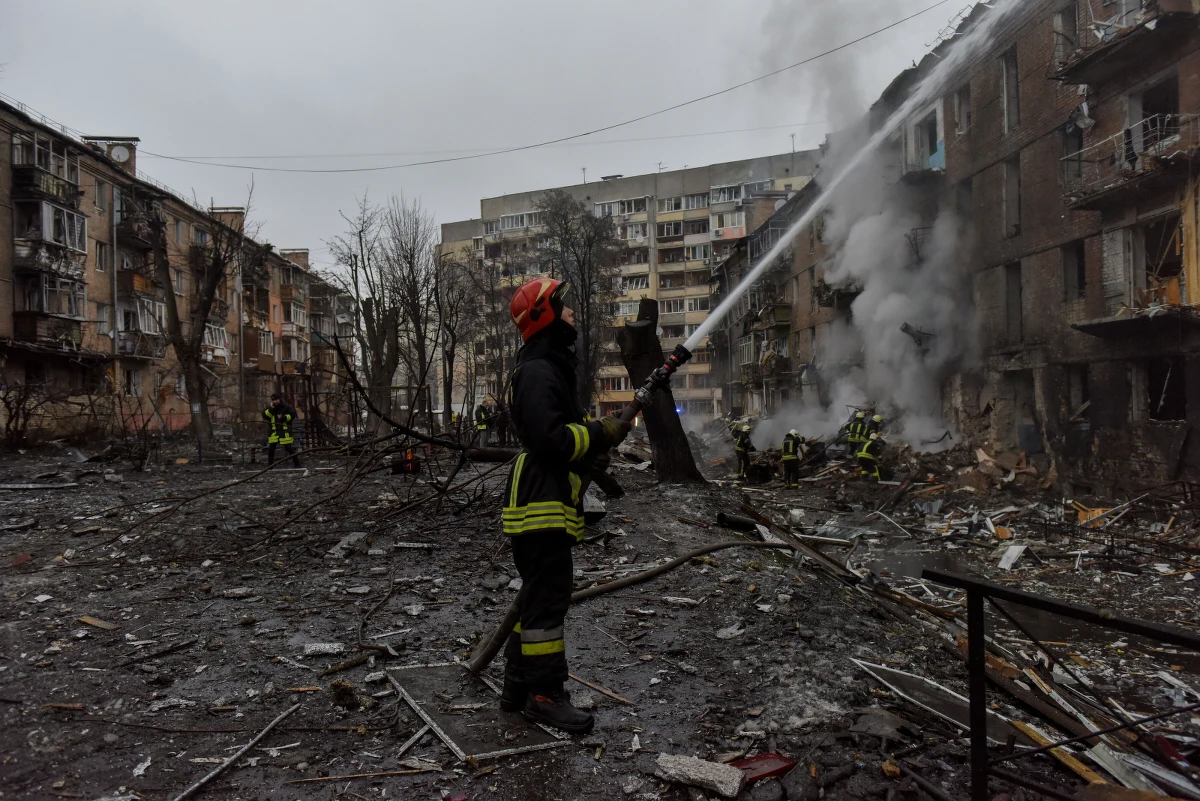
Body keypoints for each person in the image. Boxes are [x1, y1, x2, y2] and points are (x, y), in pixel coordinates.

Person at [501, 277, 631, 734]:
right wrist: (599, 433)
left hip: (544, 500)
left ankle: (518, 687)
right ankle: (545, 696)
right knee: (547, 605)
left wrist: (595, 441)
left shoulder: (546, 366)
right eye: (562, 305)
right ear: (544, 315)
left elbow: (562, 436)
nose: (571, 311)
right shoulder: (538, 370)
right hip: (539, 503)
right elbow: (549, 439)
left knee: (538, 599)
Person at [263, 393, 301, 467]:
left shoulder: (286, 407)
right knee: (271, 449)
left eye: (276, 399)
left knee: (288, 448)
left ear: (280, 399)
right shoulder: (270, 408)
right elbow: (265, 416)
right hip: (274, 432)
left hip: (284, 431)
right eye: (273, 400)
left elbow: (292, 415)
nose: (275, 401)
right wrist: (271, 409)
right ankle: (270, 466)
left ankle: (297, 464)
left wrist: (283, 418)